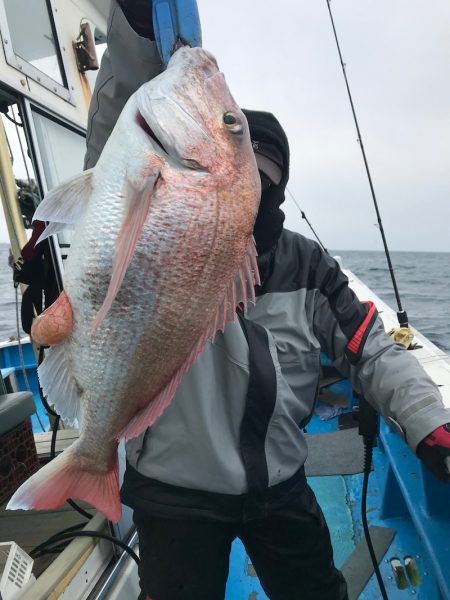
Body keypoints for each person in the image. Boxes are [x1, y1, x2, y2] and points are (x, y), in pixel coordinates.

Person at [57, 2, 450, 599]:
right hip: (172, 492)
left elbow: (371, 347)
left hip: (278, 484)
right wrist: (138, 32)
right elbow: (117, 129)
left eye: (267, 182)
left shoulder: (307, 265)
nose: (256, 192)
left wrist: (429, 422)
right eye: (249, 175)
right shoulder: (152, 210)